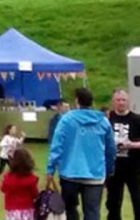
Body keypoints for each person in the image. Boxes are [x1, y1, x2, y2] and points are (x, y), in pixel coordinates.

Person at [46, 87, 116, 220]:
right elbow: (111, 149)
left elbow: (57, 146)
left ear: (77, 101)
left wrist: (50, 169)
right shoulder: (103, 121)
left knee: (70, 209)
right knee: (92, 211)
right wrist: (108, 169)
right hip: (95, 174)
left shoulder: (66, 120)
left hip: (70, 173)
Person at [106, 88, 140, 220]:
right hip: (114, 167)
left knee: (137, 198)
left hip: (134, 167)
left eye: (124, 100)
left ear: (128, 101)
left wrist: (131, 145)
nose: (121, 103)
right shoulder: (107, 119)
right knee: (113, 201)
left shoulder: (136, 119)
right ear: (113, 102)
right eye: (118, 100)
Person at [1, 147, 40, 220]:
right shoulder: (31, 179)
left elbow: (3, 189)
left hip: (12, 211)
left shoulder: (7, 178)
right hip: (27, 210)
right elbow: (35, 194)